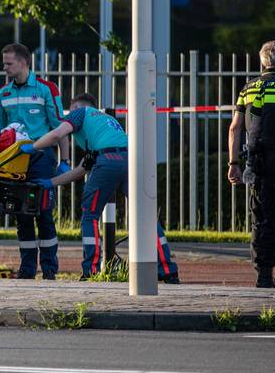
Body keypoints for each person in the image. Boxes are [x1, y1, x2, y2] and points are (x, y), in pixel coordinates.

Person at [24, 93, 179, 283]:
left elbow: (56, 134)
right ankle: (168, 270)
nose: (68, 117)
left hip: (108, 161)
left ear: (77, 107)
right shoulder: (106, 123)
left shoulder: (80, 113)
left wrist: (32, 147)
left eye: (70, 111)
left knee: (90, 215)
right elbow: (82, 170)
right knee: (147, 216)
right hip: (132, 160)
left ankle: (91, 270)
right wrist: (51, 183)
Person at [229, 41, 275, 288]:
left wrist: (234, 162)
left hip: (263, 163)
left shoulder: (249, 88)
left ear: (262, 62)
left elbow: (235, 128)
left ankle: (264, 274)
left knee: (264, 218)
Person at [0, 43, 66, 279]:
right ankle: (27, 270)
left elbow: (59, 126)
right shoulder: (3, 94)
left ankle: (49, 270)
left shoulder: (46, 89)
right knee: (21, 213)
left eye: (8, 63)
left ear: (23, 63)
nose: (4, 67)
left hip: (41, 157)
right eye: (4, 63)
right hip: (14, 159)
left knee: (44, 212)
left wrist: (64, 160)